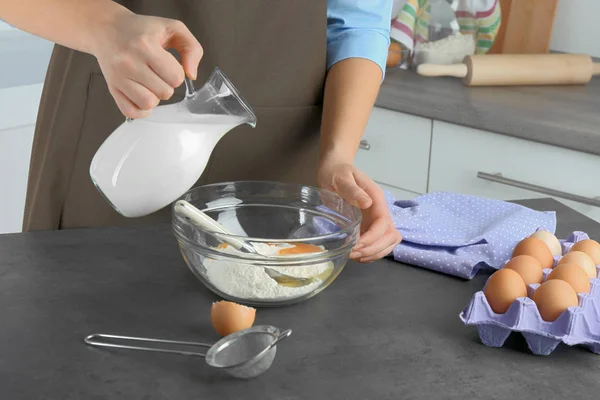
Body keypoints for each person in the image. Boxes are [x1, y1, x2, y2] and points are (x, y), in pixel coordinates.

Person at [1, 0, 402, 263]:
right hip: (117, 121)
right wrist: (108, 27)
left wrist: (337, 155)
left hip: (281, 158)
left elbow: (357, 21)